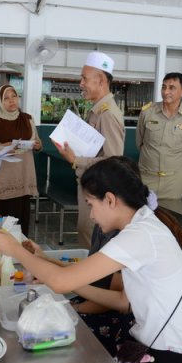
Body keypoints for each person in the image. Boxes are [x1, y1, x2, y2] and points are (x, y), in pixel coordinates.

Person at [0, 156, 182, 363]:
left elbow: (62, 282)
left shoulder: (139, 235)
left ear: (111, 200)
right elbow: (115, 297)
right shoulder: (144, 227)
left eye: (91, 204)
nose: (91, 215)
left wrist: (15, 250)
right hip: (158, 356)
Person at [55, 51, 125, 248]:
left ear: (101, 80)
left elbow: (114, 160)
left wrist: (76, 160)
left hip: (99, 191)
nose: (81, 84)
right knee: (87, 236)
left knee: (92, 241)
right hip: (91, 186)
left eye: (84, 78)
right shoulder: (96, 110)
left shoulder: (108, 114)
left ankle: (92, 280)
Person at [136, 72, 182, 199]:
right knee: (142, 216)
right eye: (164, 87)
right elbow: (140, 143)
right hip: (146, 178)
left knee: (170, 217)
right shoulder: (147, 112)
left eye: (172, 88)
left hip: (173, 181)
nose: (166, 92)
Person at [0, 84, 42, 235]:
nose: (11, 101)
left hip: (23, 175)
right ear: (0, 102)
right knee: (2, 219)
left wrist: (37, 145)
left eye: (14, 96)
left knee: (20, 219)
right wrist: (4, 146)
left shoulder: (27, 119)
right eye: (6, 98)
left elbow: (37, 141)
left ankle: (19, 253)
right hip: (3, 176)